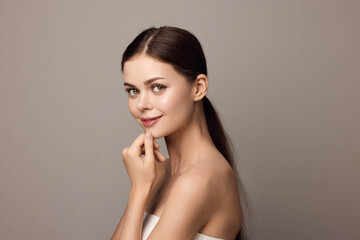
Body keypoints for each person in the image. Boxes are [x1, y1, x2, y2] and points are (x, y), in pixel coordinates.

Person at [111, 26, 248, 240]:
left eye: (158, 87)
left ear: (198, 88)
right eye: (133, 91)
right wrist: (142, 186)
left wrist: (138, 191)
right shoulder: (158, 173)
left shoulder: (200, 180)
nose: (141, 104)